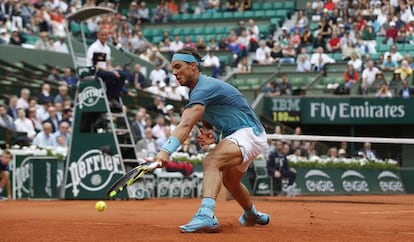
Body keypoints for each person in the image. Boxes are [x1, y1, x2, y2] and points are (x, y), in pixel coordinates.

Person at [152, 47, 270, 233]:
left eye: (178, 66)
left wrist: (165, 150)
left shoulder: (203, 89)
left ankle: (206, 215)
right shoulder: (199, 91)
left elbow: (186, 125)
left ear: (193, 66)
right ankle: (251, 214)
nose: (174, 72)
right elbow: (207, 120)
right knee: (230, 182)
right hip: (240, 135)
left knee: (211, 161)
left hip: (249, 133)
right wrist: (210, 133)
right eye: (172, 68)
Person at [86, 28, 127, 110]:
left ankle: (115, 98)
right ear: (98, 35)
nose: (104, 37)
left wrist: (113, 69)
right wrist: (111, 71)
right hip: (95, 70)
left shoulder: (107, 48)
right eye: (102, 35)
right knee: (112, 75)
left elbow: (108, 64)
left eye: (106, 35)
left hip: (105, 70)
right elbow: (96, 65)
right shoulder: (94, 47)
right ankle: (108, 98)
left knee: (123, 74)